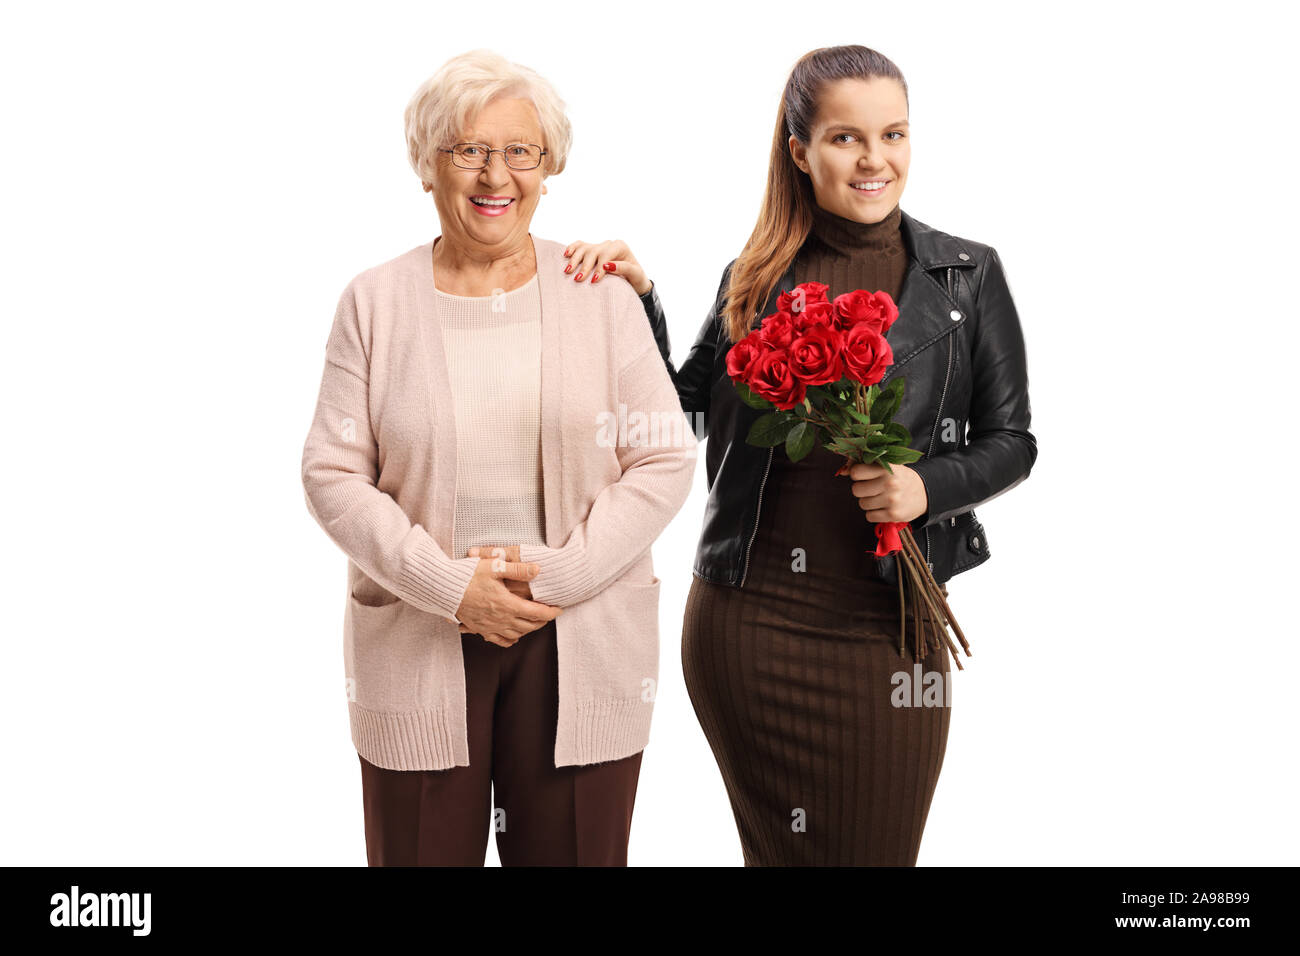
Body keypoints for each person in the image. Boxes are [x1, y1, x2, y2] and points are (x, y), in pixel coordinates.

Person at [566, 44, 1037, 865]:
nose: (875, 159)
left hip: (892, 631)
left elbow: (1013, 442)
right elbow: (679, 414)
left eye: (893, 134)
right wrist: (638, 301)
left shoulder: (968, 276)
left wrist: (925, 487)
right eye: (847, 138)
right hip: (750, 628)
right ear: (800, 151)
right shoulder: (754, 275)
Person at [300, 49, 696, 866]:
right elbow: (333, 475)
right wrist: (452, 589)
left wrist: (557, 576)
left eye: (521, 151)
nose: (496, 174)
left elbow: (662, 458)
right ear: (427, 167)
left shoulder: (600, 293)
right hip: (419, 631)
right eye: (467, 149)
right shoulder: (373, 303)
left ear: (548, 168)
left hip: (582, 634)